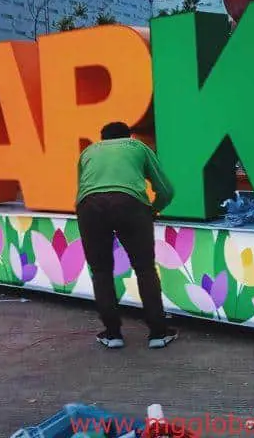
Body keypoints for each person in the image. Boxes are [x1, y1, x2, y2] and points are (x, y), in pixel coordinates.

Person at [76, 122, 177, 349]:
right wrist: (153, 209)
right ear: (128, 135)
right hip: (129, 203)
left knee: (101, 272)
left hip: (89, 207)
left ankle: (112, 335)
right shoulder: (137, 147)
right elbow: (166, 189)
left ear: (101, 138)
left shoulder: (88, 152)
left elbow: (81, 188)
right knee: (144, 269)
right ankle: (158, 334)